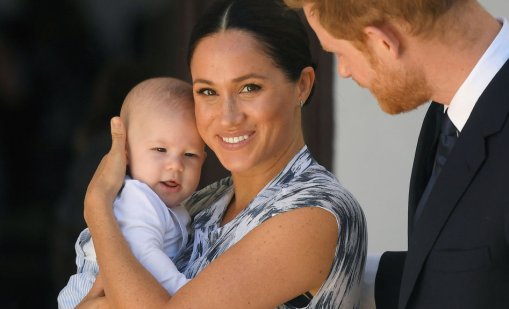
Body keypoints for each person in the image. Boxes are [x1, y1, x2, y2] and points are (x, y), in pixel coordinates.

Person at [77, 0, 367, 308]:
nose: (227, 117)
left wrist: (98, 208)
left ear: (302, 86)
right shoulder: (203, 203)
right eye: (207, 91)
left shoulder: (315, 213)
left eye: (249, 88)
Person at [284, 0, 509, 308]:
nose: (345, 71)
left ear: (383, 42)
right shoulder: (449, 112)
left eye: (338, 52)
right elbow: (474, 271)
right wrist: (330, 271)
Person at [58, 77, 207, 308]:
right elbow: (144, 255)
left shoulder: (170, 205)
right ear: (125, 152)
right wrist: (184, 292)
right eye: (160, 149)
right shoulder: (137, 198)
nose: (175, 165)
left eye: (190, 155)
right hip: (92, 292)